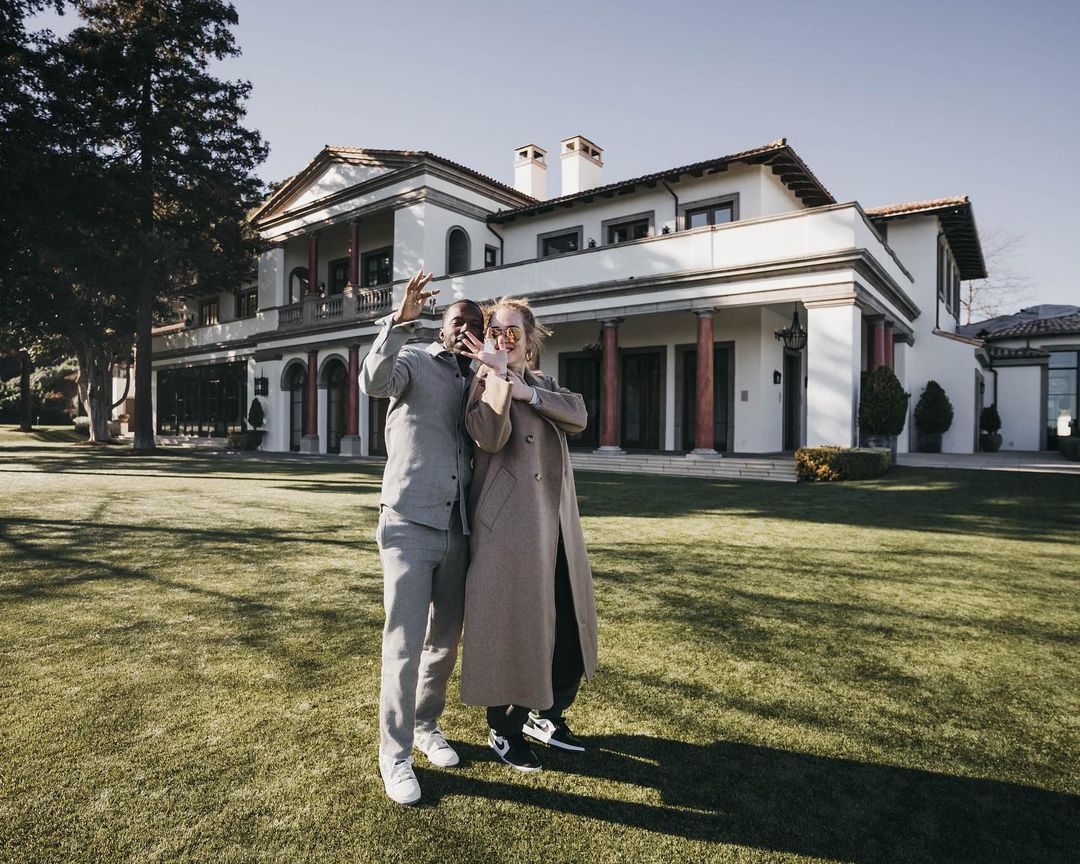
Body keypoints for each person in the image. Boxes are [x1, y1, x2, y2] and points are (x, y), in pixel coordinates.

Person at [359, 270, 485, 805]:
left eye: (475, 324)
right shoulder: (412, 360)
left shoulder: (478, 380)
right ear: (441, 325)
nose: (465, 329)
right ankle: (395, 756)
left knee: (443, 644)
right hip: (409, 522)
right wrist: (399, 321)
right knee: (405, 645)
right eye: (458, 321)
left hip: (459, 528)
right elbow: (373, 381)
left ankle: (426, 726)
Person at [458, 296, 599, 772]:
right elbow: (488, 436)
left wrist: (529, 394)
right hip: (508, 531)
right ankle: (505, 728)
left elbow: (579, 415)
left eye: (512, 332)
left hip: (556, 525)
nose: (503, 340)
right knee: (513, 624)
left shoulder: (545, 385)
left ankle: (548, 715)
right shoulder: (481, 384)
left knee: (567, 622)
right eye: (495, 332)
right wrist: (500, 379)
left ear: (529, 338)